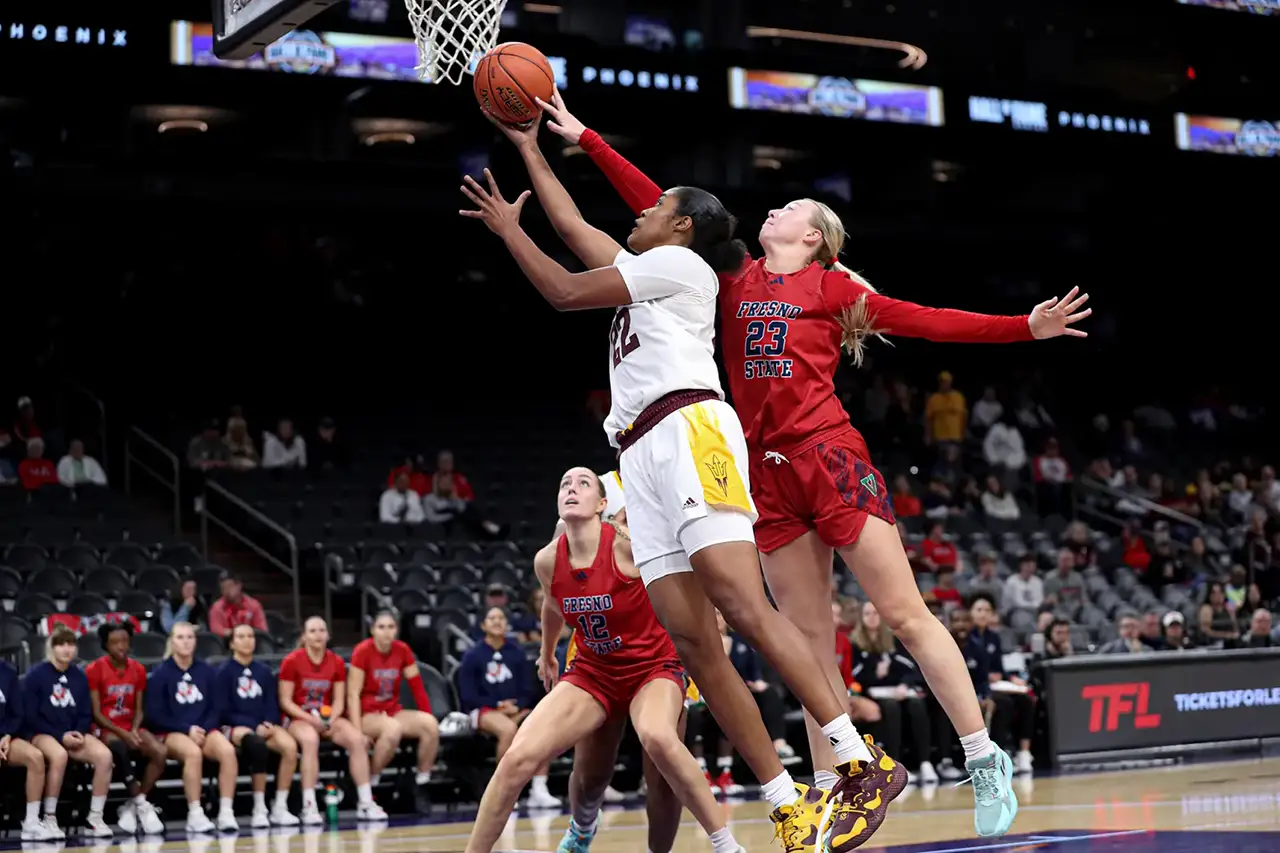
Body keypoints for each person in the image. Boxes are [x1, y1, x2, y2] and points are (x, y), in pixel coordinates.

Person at [532, 91, 1091, 839]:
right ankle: (833, 785)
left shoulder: (834, 286)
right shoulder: (731, 272)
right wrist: (587, 138)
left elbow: (928, 321)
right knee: (805, 638)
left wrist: (1025, 327)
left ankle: (981, 753)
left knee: (903, 613)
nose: (773, 209)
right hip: (762, 474)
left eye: (790, 208)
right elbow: (667, 213)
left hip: (827, 455)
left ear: (815, 236)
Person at [466, 113, 892, 853]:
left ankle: (859, 758)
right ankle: (787, 803)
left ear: (684, 227)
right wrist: (530, 147)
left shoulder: (682, 269)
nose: (640, 212)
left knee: (741, 604)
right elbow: (573, 229)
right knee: (694, 642)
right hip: (640, 453)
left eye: (657, 206)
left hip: (690, 430)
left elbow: (563, 290)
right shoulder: (647, 275)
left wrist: (508, 232)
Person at [461, 467, 744, 853]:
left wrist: (711, 622)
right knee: (522, 761)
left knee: (659, 741)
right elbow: (552, 605)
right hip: (595, 670)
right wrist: (546, 652)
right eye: (564, 484)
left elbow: (686, 573)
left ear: (602, 504)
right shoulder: (547, 560)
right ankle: (565, 833)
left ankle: (727, 846)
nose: (572, 488)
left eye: (583, 484)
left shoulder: (629, 546)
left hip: (653, 667)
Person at [279, 616, 387, 822]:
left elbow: (338, 700)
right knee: (310, 740)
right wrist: (311, 720)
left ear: (328, 635)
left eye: (322, 630)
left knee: (357, 739)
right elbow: (286, 701)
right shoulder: (291, 661)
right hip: (298, 717)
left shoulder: (336, 662)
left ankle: (366, 803)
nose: (318, 635)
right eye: (312, 631)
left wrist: (329, 719)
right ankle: (309, 806)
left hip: (327, 717)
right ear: (304, 636)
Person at [457, 606, 559, 808]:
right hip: (483, 710)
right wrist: (497, 706)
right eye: (492, 618)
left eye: (501, 618)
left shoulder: (517, 652)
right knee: (508, 729)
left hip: (514, 709)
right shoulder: (472, 655)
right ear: (483, 625)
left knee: (542, 727)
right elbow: (468, 696)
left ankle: (539, 788)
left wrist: (518, 705)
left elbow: (527, 689)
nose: (497, 621)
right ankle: (503, 791)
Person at [145, 622, 240, 832]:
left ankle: (226, 812)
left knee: (228, 751)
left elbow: (217, 708)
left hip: (204, 729)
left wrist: (203, 729)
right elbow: (156, 716)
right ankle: (195, 813)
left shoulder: (207, 671)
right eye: (180, 637)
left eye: (190, 637)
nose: (186, 642)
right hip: (172, 731)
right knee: (193, 753)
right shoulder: (160, 674)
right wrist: (187, 730)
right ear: (172, 641)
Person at [23, 626, 115, 838]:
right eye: (61, 644)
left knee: (104, 756)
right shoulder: (36, 675)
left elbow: (85, 713)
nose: (67, 649)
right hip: (42, 732)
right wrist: (60, 736)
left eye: (71, 644)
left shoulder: (79, 676)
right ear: (51, 647)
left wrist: (79, 732)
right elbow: (31, 717)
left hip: (73, 732)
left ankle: (95, 818)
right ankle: (49, 817)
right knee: (59, 755)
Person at [348, 611, 441, 813]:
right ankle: (369, 782)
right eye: (381, 627)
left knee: (430, 725)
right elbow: (353, 695)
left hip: (391, 711)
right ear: (373, 630)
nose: (386, 632)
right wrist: (356, 731)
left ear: (396, 630)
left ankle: (421, 782)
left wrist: (427, 713)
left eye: (391, 627)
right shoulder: (362, 651)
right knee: (393, 729)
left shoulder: (402, 650)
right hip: (366, 714)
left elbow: (417, 688)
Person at [215, 624, 301, 826]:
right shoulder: (223, 672)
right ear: (232, 643)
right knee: (256, 744)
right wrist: (254, 726)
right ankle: (259, 807)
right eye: (241, 636)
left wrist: (268, 723)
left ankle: (280, 806)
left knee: (290, 747)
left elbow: (272, 705)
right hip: (234, 726)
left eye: (250, 636)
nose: (247, 640)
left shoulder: (264, 671)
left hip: (263, 724)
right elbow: (223, 711)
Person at [86, 622, 167, 835]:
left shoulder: (138, 669)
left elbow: (139, 710)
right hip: (105, 728)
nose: (121, 646)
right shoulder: (94, 669)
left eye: (124, 641)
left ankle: (133, 805)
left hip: (130, 725)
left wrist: (134, 730)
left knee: (160, 751)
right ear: (105, 645)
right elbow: (97, 714)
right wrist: (123, 734)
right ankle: (142, 803)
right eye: (115, 642)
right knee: (120, 748)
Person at [0, 656, 56, 840]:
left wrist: (8, 735)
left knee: (35, 757)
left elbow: (17, 713)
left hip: (5, 738)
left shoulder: (7, 672)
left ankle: (31, 822)